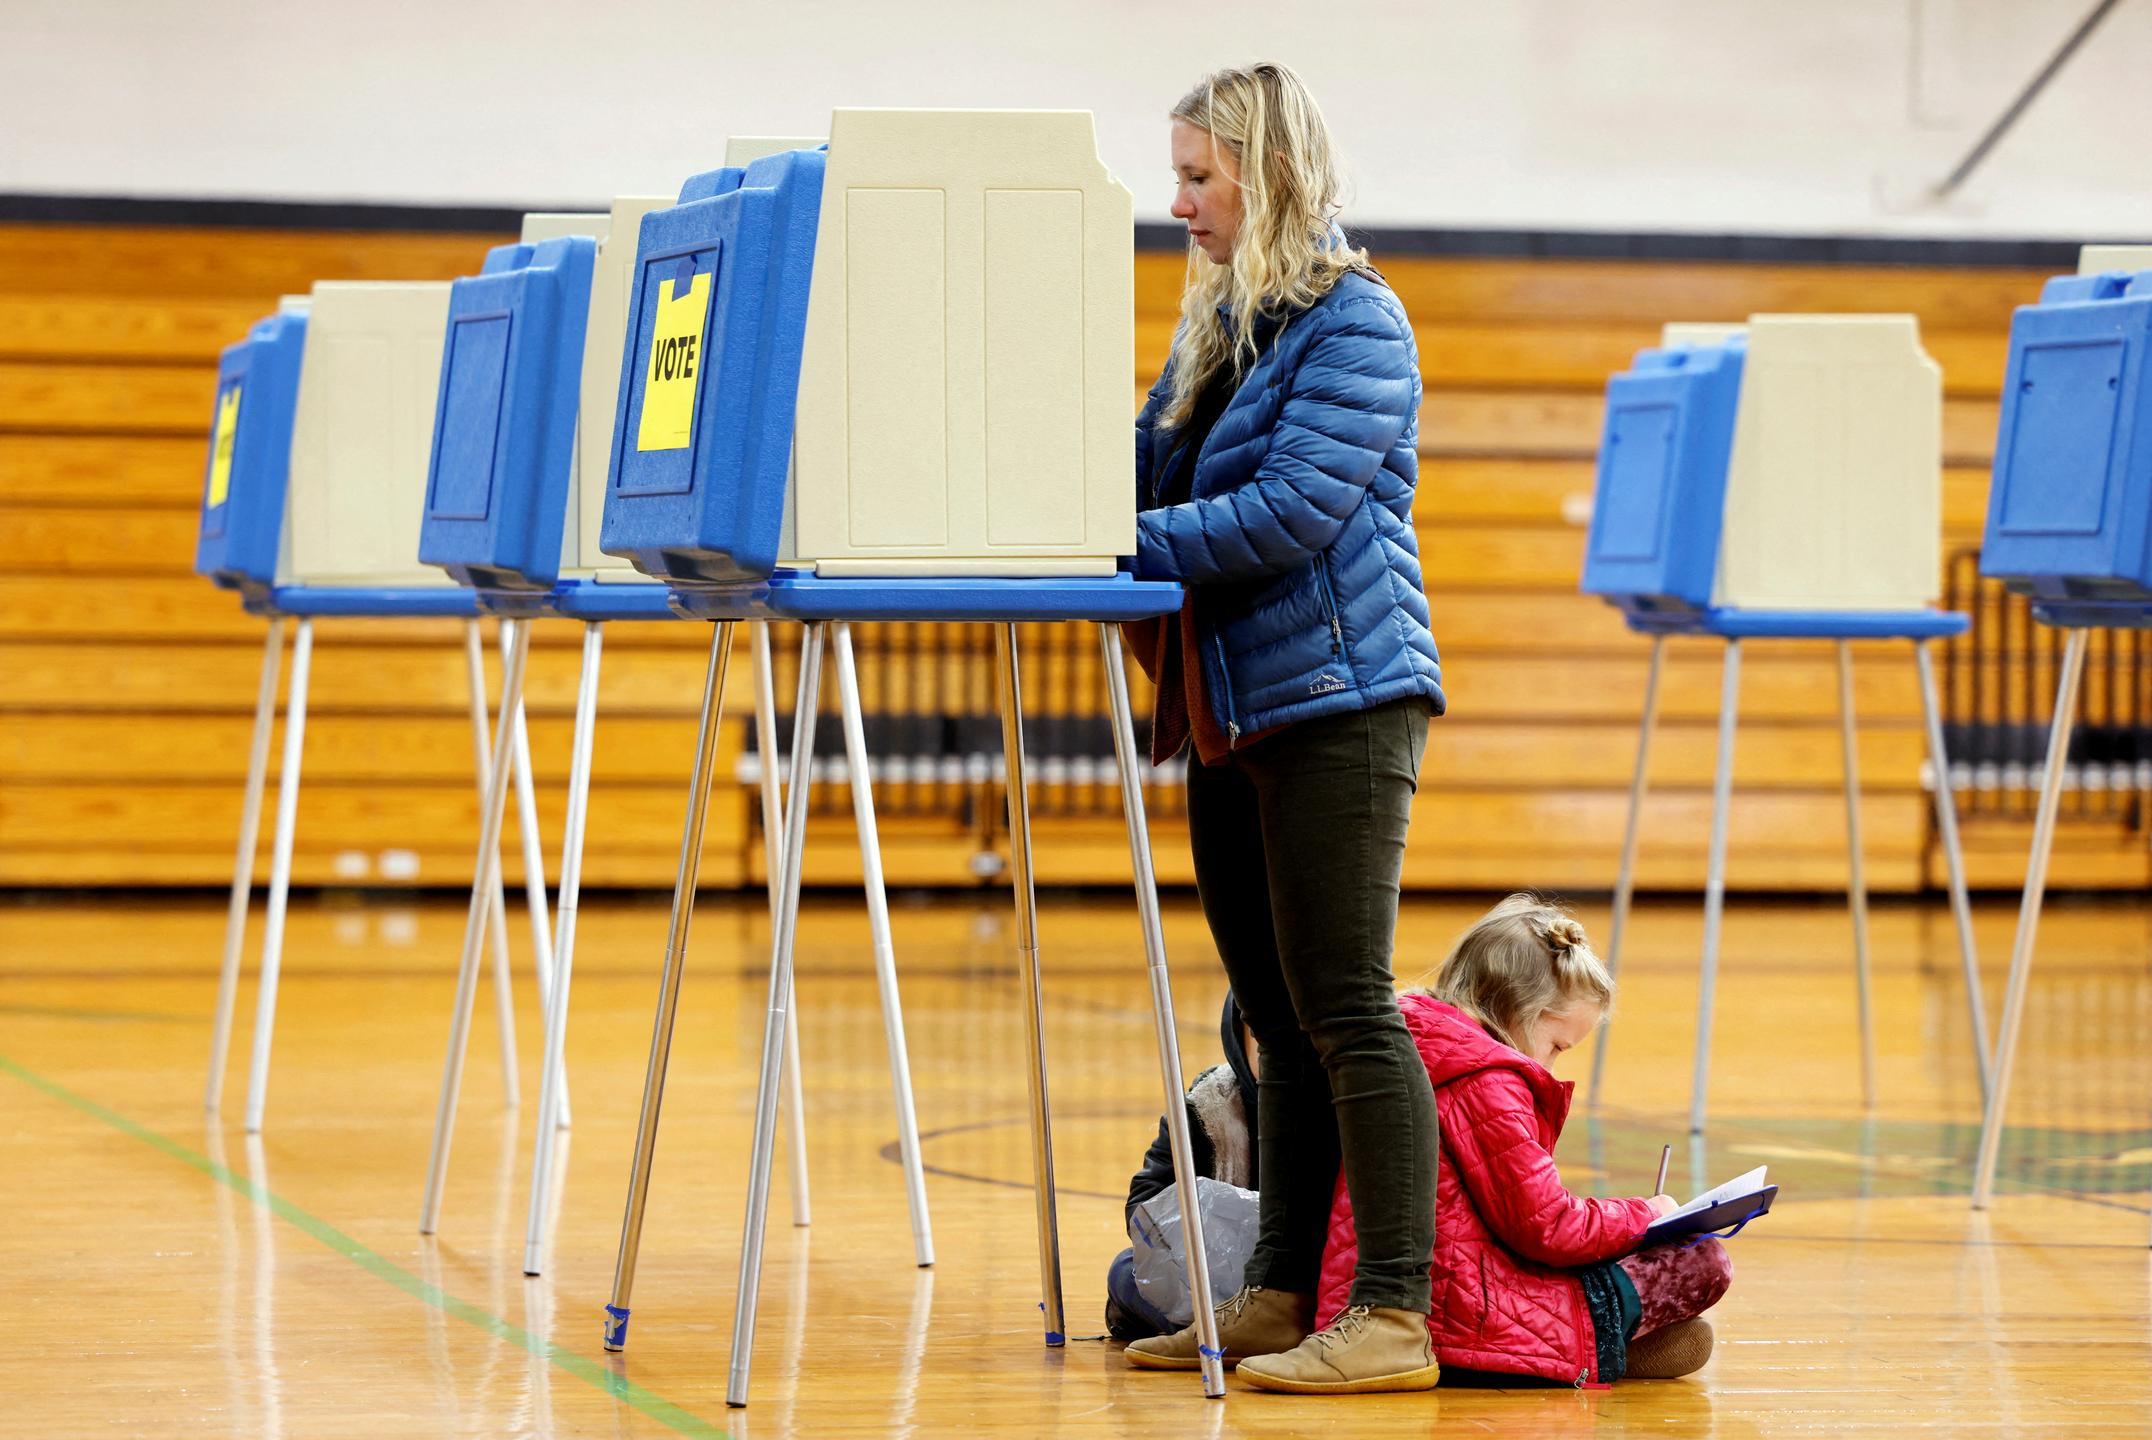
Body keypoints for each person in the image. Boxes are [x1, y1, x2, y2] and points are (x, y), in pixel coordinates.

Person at [1118, 61, 1448, 1395]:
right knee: (1269, 1017)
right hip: (1231, 710)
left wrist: (1110, 540)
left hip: (1340, 700)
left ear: (1274, 170)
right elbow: (1151, 485)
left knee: (1345, 1007)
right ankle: (1277, 1294)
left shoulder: (1357, 323)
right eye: (1180, 173)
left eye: (1203, 174)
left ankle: (1397, 1315)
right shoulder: (1218, 335)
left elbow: (1291, 513)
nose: (1181, 200)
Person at [1316, 895, 1735, 1386]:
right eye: (1556, 1046)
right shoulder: (1486, 1078)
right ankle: (1597, 1345)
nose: (1550, 1066)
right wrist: (1650, 1214)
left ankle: (1600, 1347)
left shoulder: (1412, 1045)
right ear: (1513, 1007)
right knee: (1703, 1260)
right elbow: (1548, 1226)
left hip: (1414, 1299)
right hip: (1461, 1317)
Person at [1105, 996, 1259, 1341]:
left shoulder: (1331, 1102)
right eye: (1260, 1036)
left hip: (1303, 1276)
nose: (1272, 1048)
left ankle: (1219, 1331)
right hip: (1215, 1281)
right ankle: (1212, 1326)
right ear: (1238, 1037)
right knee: (1125, 1271)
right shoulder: (1203, 1109)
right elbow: (1144, 1208)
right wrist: (1216, 1223)